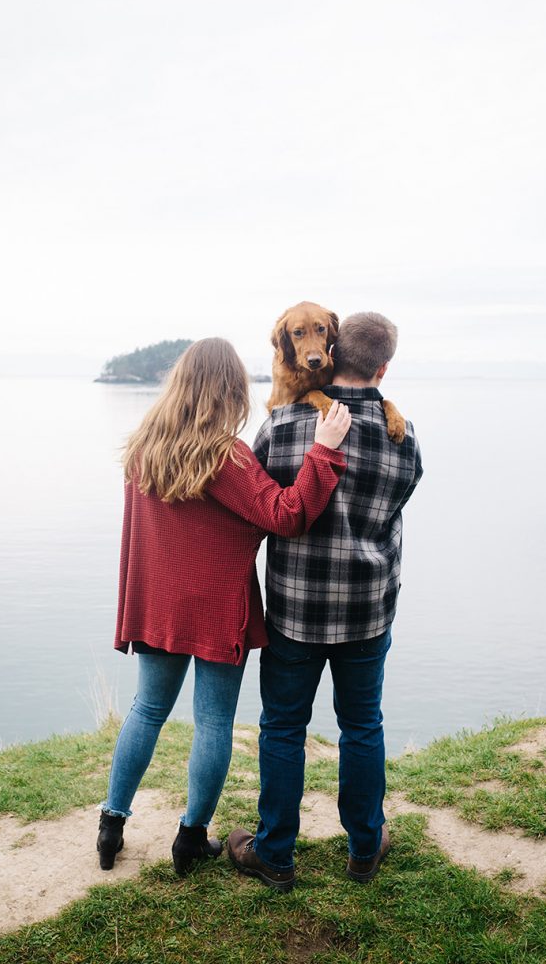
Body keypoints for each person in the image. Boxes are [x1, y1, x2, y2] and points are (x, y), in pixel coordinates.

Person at [97, 337, 352, 873]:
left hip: (160, 605)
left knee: (147, 710)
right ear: (231, 390)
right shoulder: (225, 455)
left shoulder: (144, 449)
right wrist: (324, 450)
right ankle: (191, 839)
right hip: (216, 609)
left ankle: (111, 825)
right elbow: (285, 514)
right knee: (213, 722)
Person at [228, 312, 423, 891]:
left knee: (283, 728)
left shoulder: (283, 424)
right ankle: (364, 849)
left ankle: (275, 856)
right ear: (382, 368)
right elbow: (402, 495)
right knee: (362, 726)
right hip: (367, 609)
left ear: (331, 352)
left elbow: (257, 505)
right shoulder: (402, 433)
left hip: (295, 611)